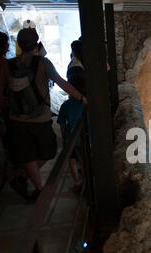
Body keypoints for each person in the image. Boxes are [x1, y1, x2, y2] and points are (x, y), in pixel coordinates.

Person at [0, 28, 86, 201]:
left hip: (17, 119)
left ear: (19, 45)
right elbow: (61, 83)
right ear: (37, 43)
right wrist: (81, 97)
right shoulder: (43, 63)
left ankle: (26, 179)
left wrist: (6, 109)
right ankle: (38, 188)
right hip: (40, 118)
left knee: (29, 154)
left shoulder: (8, 65)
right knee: (49, 151)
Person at [58, 40, 85, 193]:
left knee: (72, 159)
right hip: (84, 136)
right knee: (83, 155)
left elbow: (61, 122)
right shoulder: (85, 105)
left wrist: (64, 136)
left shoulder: (66, 106)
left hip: (71, 137)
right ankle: (84, 176)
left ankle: (76, 182)